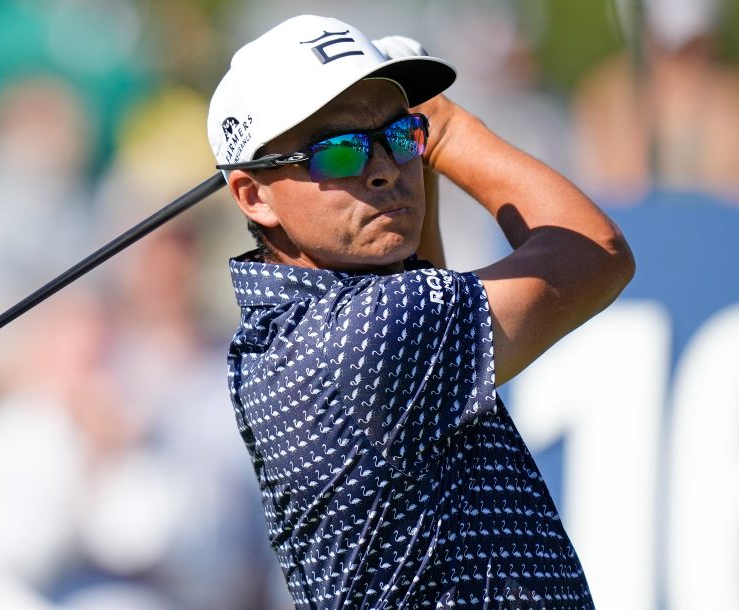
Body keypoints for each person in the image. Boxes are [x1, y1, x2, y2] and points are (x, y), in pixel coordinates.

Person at [208, 14, 634, 609]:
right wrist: (451, 130)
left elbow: (422, 275)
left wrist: (402, 136)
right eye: (338, 153)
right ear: (255, 196)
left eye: (402, 138)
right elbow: (595, 253)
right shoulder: (368, 334)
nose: (384, 169)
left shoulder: (280, 333)